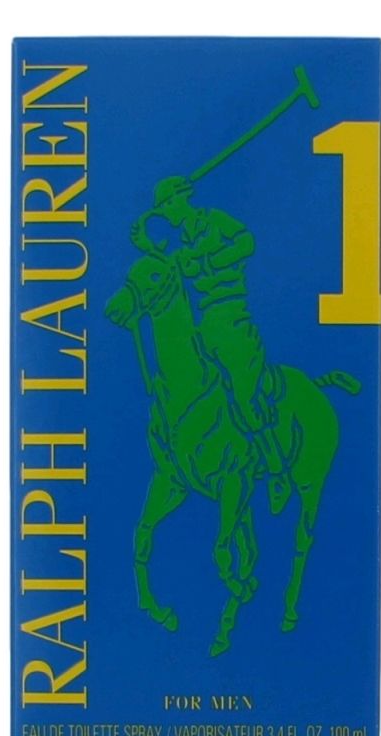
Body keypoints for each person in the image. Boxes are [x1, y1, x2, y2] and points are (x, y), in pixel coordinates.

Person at [131, 175, 290, 510]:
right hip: (203, 327)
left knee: (244, 398)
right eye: (161, 208)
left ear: (182, 198)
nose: (166, 212)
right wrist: (147, 246)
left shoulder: (213, 221)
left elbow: (247, 242)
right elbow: (167, 272)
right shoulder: (182, 243)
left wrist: (208, 260)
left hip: (233, 321)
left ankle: (277, 469)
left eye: (167, 204)